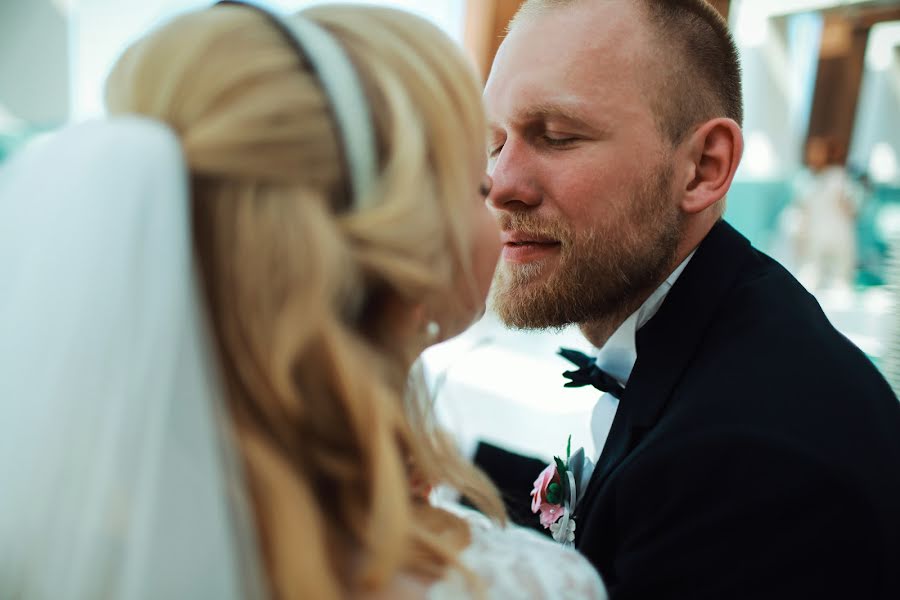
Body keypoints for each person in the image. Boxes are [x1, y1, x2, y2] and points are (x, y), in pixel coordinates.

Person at [0, 3, 606, 599]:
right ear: (403, 255)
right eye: (476, 173)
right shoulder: (526, 586)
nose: (500, 188)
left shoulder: (56, 531)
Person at [476, 0, 900, 598]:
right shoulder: (725, 328)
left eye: (558, 137)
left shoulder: (750, 467)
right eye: (494, 143)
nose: (500, 187)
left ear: (703, 167)